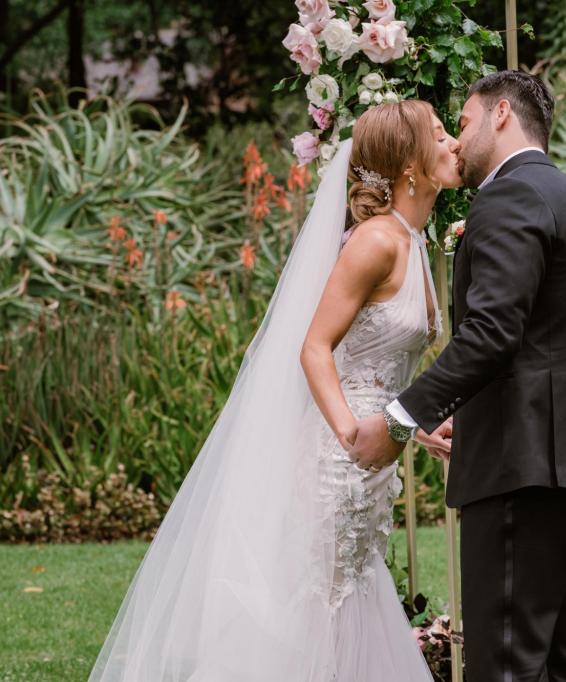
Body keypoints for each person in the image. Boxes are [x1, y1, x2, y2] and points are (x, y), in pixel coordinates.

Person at [88, 99, 459, 681]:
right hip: (339, 465)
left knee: (351, 591)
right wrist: (349, 434)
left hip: (377, 461)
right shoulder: (376, 240)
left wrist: (421, 426)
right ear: (410, 165)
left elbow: (387, 364)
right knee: (321, 603)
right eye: (440, 135)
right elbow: (314, 346)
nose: (455, 142)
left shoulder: (414, 238)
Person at [348, 70, 566, 682]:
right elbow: (549, 344)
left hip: (521, 470)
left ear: (502, 113)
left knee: (503, 664)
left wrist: (400, 418)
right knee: (561, 665)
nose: (457, 142)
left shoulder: (509, 196)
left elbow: (494, 331)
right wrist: (464, 410)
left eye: (465, 123)